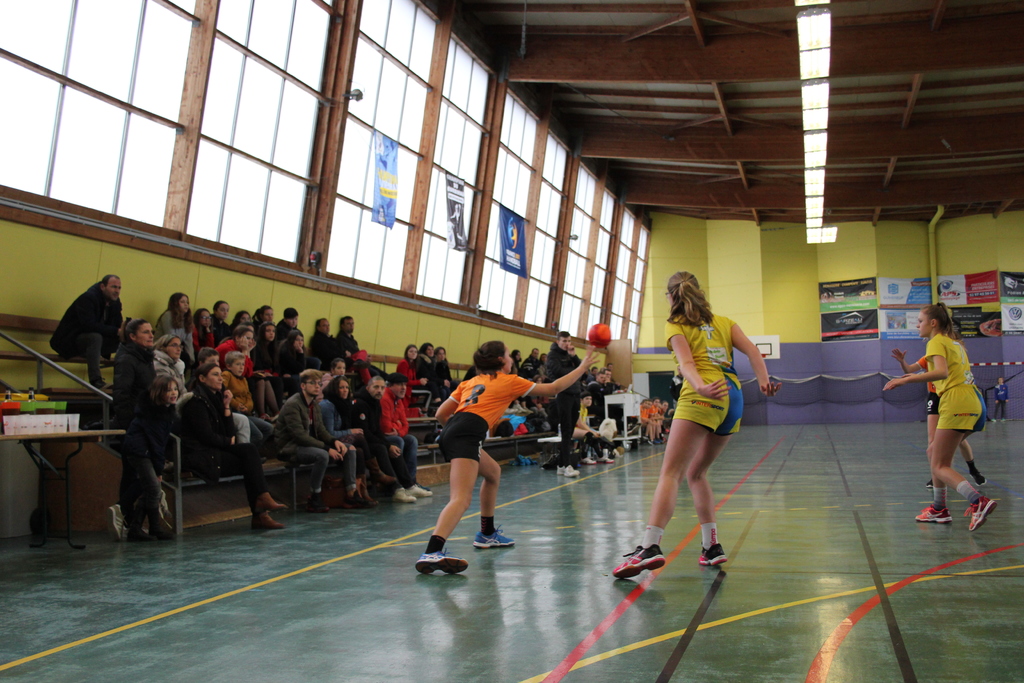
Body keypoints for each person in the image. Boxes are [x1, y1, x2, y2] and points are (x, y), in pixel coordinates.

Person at [613, 271, 780, 578]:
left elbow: (687, 364)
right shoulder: (724, 322)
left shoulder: (676, 325)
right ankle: (711, 546)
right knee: (697, 473)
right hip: (733, 398)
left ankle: (649, 546)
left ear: (670, 297)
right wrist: (764, 382)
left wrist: (701, 387)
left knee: (671, 473)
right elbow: (753, 351)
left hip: (703, 395)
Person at [416, 341, 597, 574]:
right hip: (467, 433)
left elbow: (441, 414)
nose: (512, 359)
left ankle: (487, 534)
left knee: (493, 472)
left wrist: (456, 432)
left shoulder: (470, 382)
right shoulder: (509, 380)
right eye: (509, 355)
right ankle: (432, 551)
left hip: (454, 429)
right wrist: (582, 367)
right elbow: (554, 388)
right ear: (501, 360)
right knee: (460, 499)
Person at [884, 303, 995, 531]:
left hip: (956, 401)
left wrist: (905, 380)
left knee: (938, 465)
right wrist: (906, 370)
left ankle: (978, 501)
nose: (917, 326)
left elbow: (941, 372)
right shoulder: (954, 343)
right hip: (973, 400)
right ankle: (939, 509)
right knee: (933, 453)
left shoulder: (936, 341)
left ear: (933, 323)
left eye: (920, 321)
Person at [179, 362, 286, 529]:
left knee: (249, 450)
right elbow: (206, 436)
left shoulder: (216, 399)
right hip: (200, 456)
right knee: (250, 463)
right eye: (215, 374)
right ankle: (260, 512)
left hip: (214, 451)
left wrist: (227, 406)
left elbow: (228, 432)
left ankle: (262, 502)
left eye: (220, 375)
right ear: (202, 378)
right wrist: (228, 442)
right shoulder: (196, 402)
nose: (220, 378)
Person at [891, 347, 986, 486]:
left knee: (957, 439)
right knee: (933, 442)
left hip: (951, 395)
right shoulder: (928, 357)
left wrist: (914, 378)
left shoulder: (949, 356)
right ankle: (937, 474)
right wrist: (902, 362)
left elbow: (943, 373)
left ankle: (972, 469)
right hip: (935, 397)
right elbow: (909, 370)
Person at [274, 369, 349, 513]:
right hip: (290, 447)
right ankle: (314, 496)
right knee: (323, 455)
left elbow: (321, 430)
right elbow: (299, 436)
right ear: (303, 386)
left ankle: (351, 492)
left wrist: (334, 441)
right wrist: (327, 448)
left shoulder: (314, 404)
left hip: (307, 444)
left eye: (319, 384)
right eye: (313, 383)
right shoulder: (293, 404)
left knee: (349, 449)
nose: (317, 386)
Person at [119, 375, 179, 542]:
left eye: (175, 389)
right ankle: (151, 527)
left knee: (150, 489)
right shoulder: (153, 414)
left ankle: (138, 528)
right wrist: (159, 470)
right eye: (168, 390)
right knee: (153, 487)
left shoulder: (165, 411)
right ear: (158, 393)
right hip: (139, 452)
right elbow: (156, 443)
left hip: (145, 451)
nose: (174, 393)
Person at [352, 376, 418, 503]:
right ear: (368, 388)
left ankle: (409, 485)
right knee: (382, 448)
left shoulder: (375, 402)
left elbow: (378, 430)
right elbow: (365, 432)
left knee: (393, 445)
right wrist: (387, 445)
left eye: (382, 388)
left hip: (369, 439)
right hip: (359, 441)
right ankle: (395, 488)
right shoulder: (360, 404)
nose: (379, 390)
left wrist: (389, 444)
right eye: (376, 387)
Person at [50, 275, 123, 388]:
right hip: (70, 341)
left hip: (93, 343)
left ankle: (124, 383)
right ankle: (96, 381)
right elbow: (89, 325)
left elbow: (117, 325)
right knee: (95, 337)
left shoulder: (115, 303)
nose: (117, 291)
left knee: (128, 339)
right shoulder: (87, 298)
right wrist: (116, 331)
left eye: (119, 288)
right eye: (113, 287)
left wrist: (124, 332)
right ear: (102, 287)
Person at [320, 376, 375, 507]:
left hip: (339, 440)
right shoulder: (327, 405)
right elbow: (329, 433)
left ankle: (359, 491)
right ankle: (376, 472)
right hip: (328, 441)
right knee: (359, 437)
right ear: (334, 389)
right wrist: (350, 431)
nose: (345, 390)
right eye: (341, 387)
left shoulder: (344, 404)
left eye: (346, 387)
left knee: (359, 451)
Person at [381, 373, 431, 498]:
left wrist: (398, 429)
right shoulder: (385, 399)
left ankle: (411, 482)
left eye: (405, 384)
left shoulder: (398, 400)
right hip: (381, 437)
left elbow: (406, 425)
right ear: (390, 386)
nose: (404, 388)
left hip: (394, 434)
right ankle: (398, 484)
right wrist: (398, 426)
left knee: (411, 440)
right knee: (399, 441)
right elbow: (386, 428)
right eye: (399, 384)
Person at [546, 331, 584, 478]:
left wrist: (574, 357)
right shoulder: (552, 355)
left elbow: (582, 371)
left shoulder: (570, 355)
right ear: (558, 342)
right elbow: (558, 372)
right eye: (564, 341)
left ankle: (562, 465)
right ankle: (566, 465)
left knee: (571, 429)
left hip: (575, 393)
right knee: (566, 430)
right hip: (563, 394)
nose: (567, 344)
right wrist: (575, 371)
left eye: (569, 341)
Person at [224, 351, 274, 448]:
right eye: (237, 364)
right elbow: (224, 392)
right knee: (257, 435)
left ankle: (251, 451)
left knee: (268, 428)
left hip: (245, 413)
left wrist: (247, 407)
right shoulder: (226, 375)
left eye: (243, 364)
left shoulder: (243, 379)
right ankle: (242, 452)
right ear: (229, 366)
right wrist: (237, 405)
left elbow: (248, 396)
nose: (241, 367)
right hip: (234, 412)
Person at [113, 319, 156, 429]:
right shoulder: (126, 360)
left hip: (147, 417)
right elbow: (121, 394)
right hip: (134, 421)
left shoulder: (146, 358)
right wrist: (129, 422)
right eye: (146, 332)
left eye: (152, 332)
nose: (151, 336)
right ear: (132, 336)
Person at [156, 293, 195, 369]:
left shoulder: (187, 319)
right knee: (184, 357)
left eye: (187, 302)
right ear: (175, 304)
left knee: (191, 357)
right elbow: (171, 338)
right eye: (182, 302)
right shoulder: (168, 315)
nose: (186, 304)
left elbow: (189, 341)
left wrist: (192, 360)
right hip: (163, 347)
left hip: (176, 347)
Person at [575, 392, 615, 464]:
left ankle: (600, 456)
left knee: (596, 435)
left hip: (579, 429)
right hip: (572, 429)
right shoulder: (578, 407)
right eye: (587, 399)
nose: (589, 401)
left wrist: (594, 432)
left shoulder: (585, 409)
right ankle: (583, 457)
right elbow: (580, 424)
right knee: (589, 435)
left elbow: (584, 424)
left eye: (590, 399)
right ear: (581, 400)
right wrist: (591, 431)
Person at [277, 330, 307, 397]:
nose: (300, 342)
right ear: (291, 340)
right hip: (283, 374)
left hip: (291, 372)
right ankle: (297, 400)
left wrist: (300, 354)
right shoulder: (285, 351)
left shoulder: (296, 350)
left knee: (315, 362)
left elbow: (300, 367)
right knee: (299, 378)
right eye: (297, 340)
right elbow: (299, 368)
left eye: (302, 340)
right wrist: (300, 354)